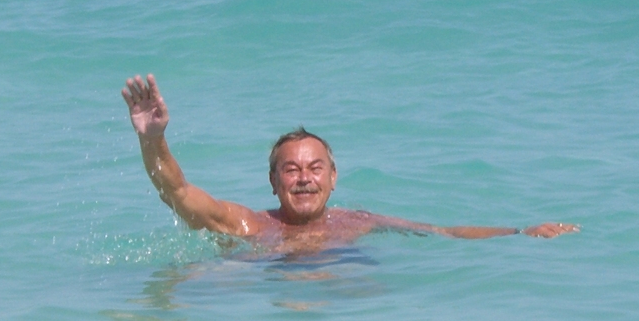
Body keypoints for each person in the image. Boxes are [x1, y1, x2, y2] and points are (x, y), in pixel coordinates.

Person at [122, 74, 579, 254]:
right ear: (273, 182)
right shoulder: (249, 225)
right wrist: (153, 138)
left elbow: (446, 233)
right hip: (267, 307)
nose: (304, 178)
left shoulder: (358, 222)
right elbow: (177, 193)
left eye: (315, 168)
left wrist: (520, 233)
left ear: (334, 178)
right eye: (291, 169)